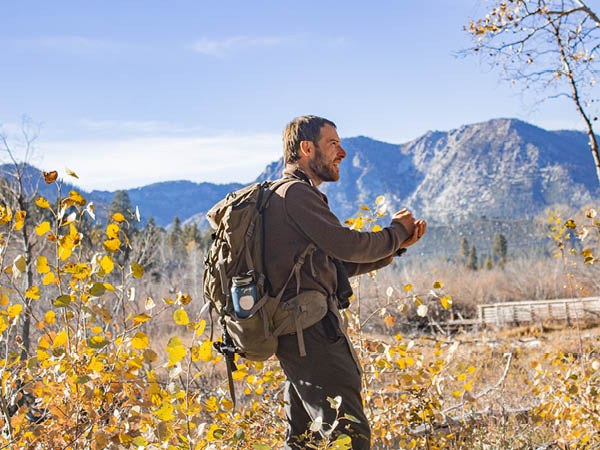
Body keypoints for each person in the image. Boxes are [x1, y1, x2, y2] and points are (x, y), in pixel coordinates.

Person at [263, 115, 426, 449]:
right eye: (333, 143)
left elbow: (333, 265)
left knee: (304, 438)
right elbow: (348, 245)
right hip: (312, 335)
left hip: (299, 335)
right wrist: (395, 232)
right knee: (348, 434)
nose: (343, 153)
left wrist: (395, 248)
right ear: (306, 148)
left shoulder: (283, 196)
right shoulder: (295, 195)